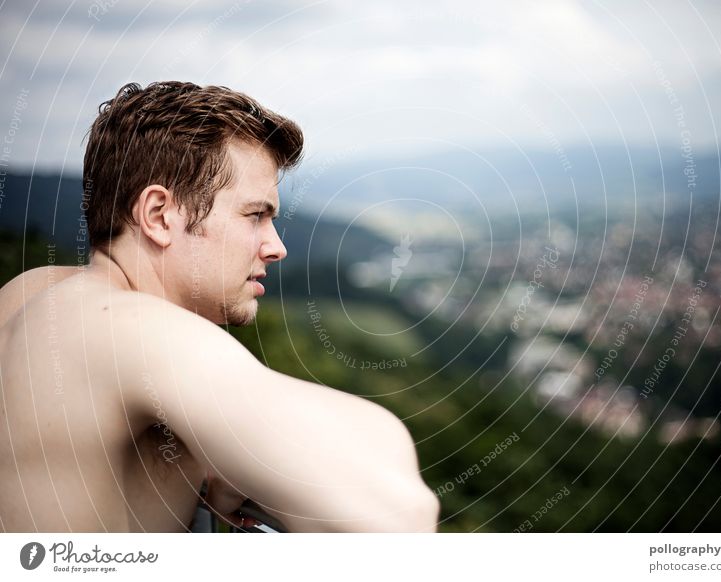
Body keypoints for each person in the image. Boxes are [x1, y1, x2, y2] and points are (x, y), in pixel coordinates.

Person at [0, 81, 439, 532]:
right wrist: (259, 460)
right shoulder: (128, 328)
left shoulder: (30, 293)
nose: (276, 247)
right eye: (255, 216)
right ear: (158, 216)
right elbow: (400, 514)